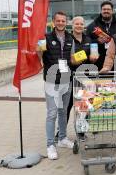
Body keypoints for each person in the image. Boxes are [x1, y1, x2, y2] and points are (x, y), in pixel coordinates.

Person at [36, 11, 74, 160]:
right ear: (53, 22)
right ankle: (50, 145)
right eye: (58, 21)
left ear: (66, 22)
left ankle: (62, 138)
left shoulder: (70, 38)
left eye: (63, 21)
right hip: (52, 81)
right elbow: (39, 53)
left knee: (63, 111)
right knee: (52, 113)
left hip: (66, 80)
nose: (61, 23)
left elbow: (71, 57)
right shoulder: (45, 37)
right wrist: (39, 53)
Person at [67, 16, 99, 124]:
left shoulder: (88, 39)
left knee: (83, 105)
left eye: (81, 24)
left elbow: (91, 58)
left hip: (85, 77)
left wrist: (93, 58)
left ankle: (81, 131)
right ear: (72, 25)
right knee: (68, 106)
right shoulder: (68, 39)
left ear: (84, 26)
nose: (79, 26)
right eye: (77, 24)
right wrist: (72, 60)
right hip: (71, 77)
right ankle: (61, 133)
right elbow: (64, 58)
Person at [86, 0, 116, 70]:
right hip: (98, 62)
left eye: (108, 9)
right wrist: (97, 41)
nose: (106, 11)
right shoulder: (92, 26)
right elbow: (86, 42)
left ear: (112, 11)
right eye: (104, 9)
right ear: (101, 11)